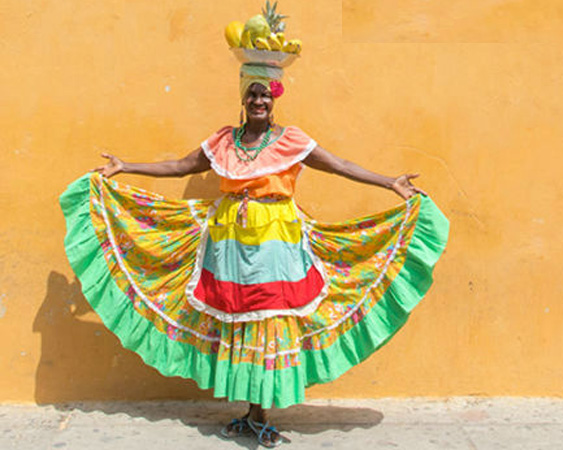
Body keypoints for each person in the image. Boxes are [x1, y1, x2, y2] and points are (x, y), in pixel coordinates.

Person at [60, 56, 449, 448]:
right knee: (242, 321)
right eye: (253, 94)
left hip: (276, 243)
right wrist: (126, 166)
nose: (259, 100)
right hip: (227, 243)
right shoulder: (223, 141)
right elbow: (181, 166)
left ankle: (261, 413)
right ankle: (252, 412)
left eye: (265, 94)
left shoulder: (292, 140)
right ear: (243, 99)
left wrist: (389, 183)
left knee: (270, 319)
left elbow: (340, 165)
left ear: (275, 98)